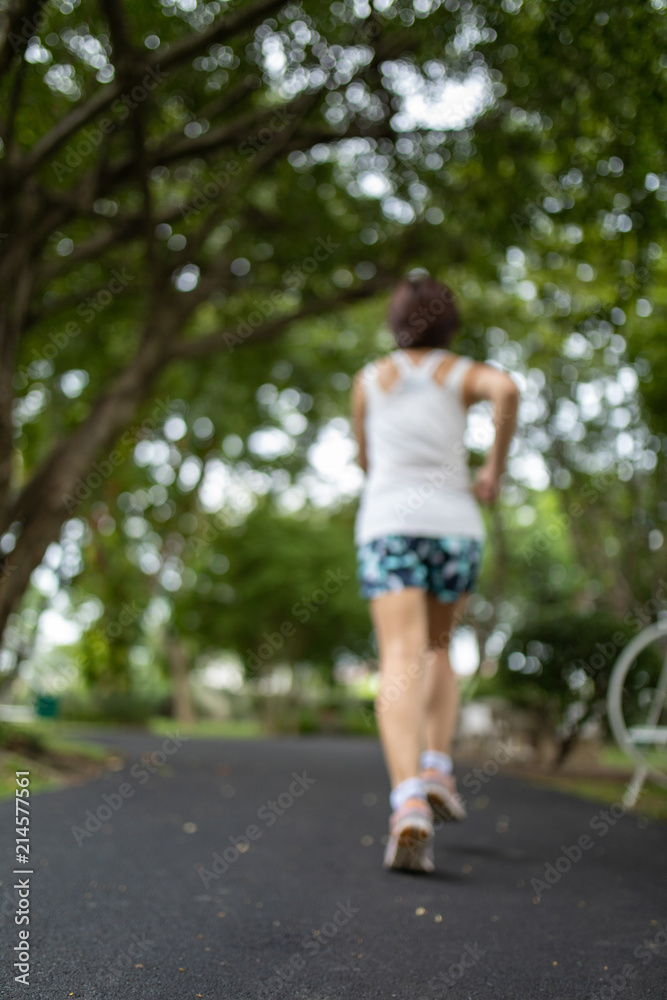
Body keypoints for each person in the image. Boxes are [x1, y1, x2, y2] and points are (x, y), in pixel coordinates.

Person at [351, 274, 519, 872]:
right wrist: (492, 469)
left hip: (390, 523)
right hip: (454, 525)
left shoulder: (372, 379)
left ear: (395, 323)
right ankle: (438, 768)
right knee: (439, 649)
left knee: (398, 656)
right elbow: (507, 390)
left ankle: (408, 805)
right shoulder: (459, 372)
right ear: (451, 323)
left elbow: (365, 458)